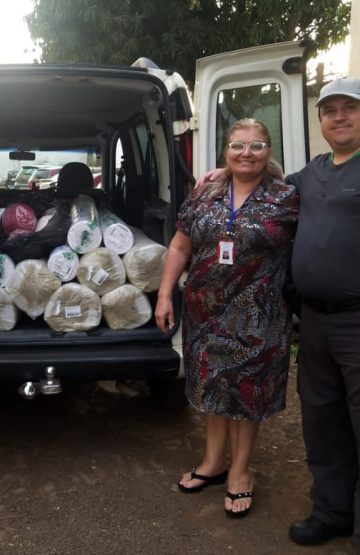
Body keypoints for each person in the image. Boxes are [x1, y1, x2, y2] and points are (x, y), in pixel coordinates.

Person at [199, 79, 360, 552]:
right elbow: (260, 182)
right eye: (329, 109)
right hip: (313, 324)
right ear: (321, 120)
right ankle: (333, 512)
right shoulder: (309, 175)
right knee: (323, 425)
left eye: (349, 108)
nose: (338, 117)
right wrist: (221, 173)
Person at [155, 118, 299, 518]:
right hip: (206, 310)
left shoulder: (288, 196)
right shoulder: (205, 192)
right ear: (225, 151)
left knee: (246, 392)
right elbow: (181, 245)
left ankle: (240, 471)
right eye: (237, 146)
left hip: (259, 315)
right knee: (211, 385)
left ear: (269, 152)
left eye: (256, 146)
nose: (246, 154)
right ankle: (213, 462)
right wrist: (166, 293)